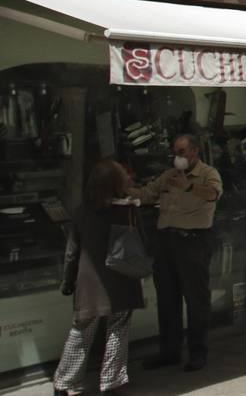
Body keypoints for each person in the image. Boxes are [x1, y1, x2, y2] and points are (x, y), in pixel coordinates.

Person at [53, 159, 146, 396]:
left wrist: (68, 281)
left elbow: (72, 251)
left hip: (89, 283)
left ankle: (63, 383)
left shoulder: (82, 211)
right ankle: (111, 382)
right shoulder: (128, 210)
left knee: (81, 330)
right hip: (122, 279)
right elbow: (142, 243)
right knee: (118, 330)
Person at [130, 134, 222, 373]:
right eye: (175, 152)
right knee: (167, 299)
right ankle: (169, 351)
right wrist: (123, 188)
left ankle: (197, 353)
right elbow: (148, 193)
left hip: (193, 241)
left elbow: (213, 194)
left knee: (196, 300)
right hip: (167, 241)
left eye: (181, 151)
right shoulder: (168, 175)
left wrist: (190, 186)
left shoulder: (208, 173)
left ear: (194, 151)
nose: (177, 156)